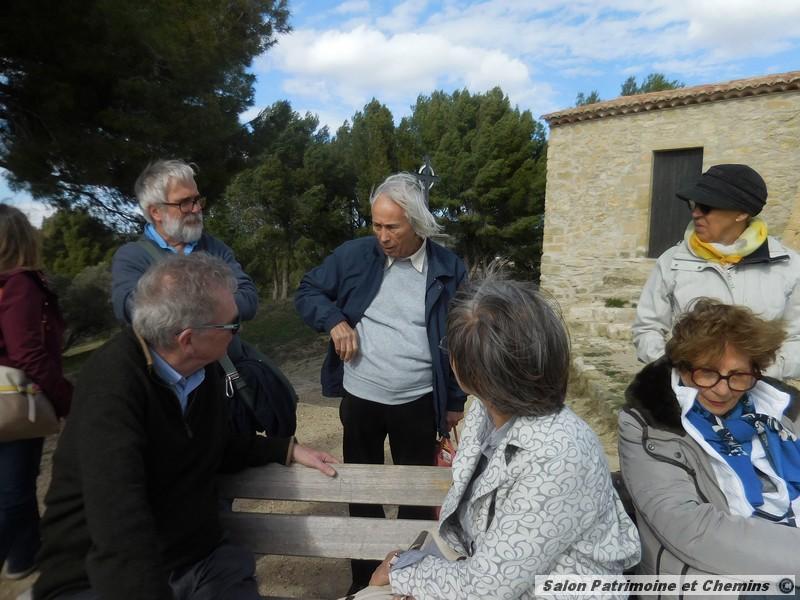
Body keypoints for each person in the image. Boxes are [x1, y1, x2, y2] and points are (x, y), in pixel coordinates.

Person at [33, 254, 337, 600]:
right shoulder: (112, 383)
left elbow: (211, 443)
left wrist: (284, 449)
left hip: (196, 560)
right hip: (98, 575)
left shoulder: (201, 370)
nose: (238, 332)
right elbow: (119, 520)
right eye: (232, 325)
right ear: (188, 339)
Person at [367, 278, 640, 599]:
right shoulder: (484, 414)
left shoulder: (557, 452)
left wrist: (403, 569)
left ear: (464, 370)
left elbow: (488, 588)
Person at [294, 172, 467, 593]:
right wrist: (334, 321)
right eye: (376, 225)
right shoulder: (354, 255)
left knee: (416, 497)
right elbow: (308, 291)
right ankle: (362, 584)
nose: (383, 237)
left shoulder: (448, 268)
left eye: (393, 227)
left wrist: (454, 399)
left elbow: (461, 337)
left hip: (418, 401)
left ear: (418, 224)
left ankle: (406, 583)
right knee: (361, 493)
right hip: (361, 399)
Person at [620, 299, 800, 582]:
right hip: (716, 580)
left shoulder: (781, 409)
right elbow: (691, 529)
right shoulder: (649, 425)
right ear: (682, 367)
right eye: (707, 372)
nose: (722, 390)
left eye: (738, 375)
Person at [632, 163, 800, 380]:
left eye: (706, 207)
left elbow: (797, 339)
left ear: (742, 213)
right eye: (693, 205)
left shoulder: (788, 266)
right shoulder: (671, 262)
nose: (695, 213)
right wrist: (678, 373)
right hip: (688, 391)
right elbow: (647, 329)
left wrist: (752, 375)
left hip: (759, 390)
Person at [0, 204, 72, 581]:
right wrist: (66, 398)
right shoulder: (20, 284)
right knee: (14, 492)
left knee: (15, 486)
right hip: (11, 400)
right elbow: (28, 352)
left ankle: (24, 555)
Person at [111, 159, 258, 331]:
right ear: (156, 212)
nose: (196, 209)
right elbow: (131, 309)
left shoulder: (213, 247)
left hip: (227, 349)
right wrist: (218, 303)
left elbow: (248, 298)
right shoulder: (132, 257)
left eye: (197, 200)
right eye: (185, 202)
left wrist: (174, 302)